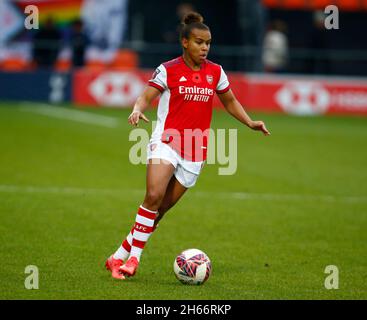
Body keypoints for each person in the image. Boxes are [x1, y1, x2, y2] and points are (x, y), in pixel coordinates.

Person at [105, 12, 270, 280]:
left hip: (196, 150)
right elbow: (147, 96)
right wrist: (137, 109)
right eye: (199, 42)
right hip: (167, 141)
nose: (204, 47)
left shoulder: (215, 72)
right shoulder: (168, 69)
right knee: (153, 196)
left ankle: (117, 256)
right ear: (185, 42)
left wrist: (249, 122)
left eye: (208, 43)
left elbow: (229, 101)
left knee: (157, 213)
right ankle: (134, 259)